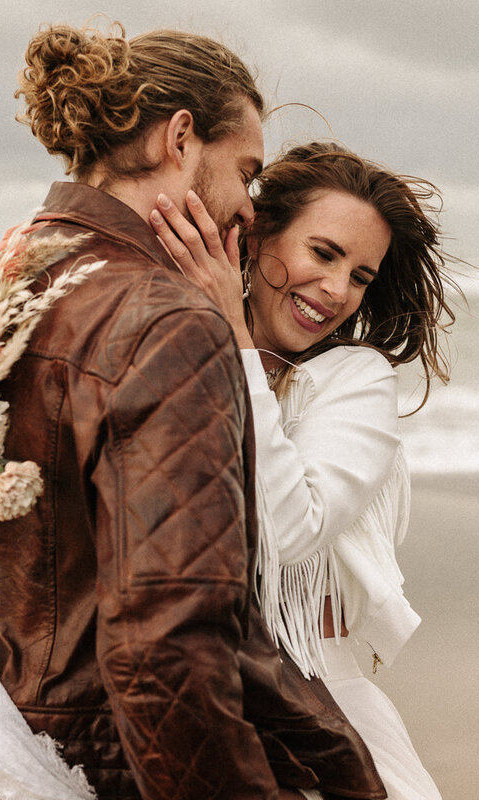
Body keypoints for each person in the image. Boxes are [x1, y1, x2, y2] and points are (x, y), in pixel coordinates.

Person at [0, 25, 386, 800]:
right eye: (245, 171)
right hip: (92, 765)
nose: (248, 205)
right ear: (181, 139)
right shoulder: (167, 323)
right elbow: (166, 647)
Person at [147, 141, 456, 800]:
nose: (339, 291)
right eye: (324, 253)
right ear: (255, 241)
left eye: (362, 276)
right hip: (177, 696)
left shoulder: (353, 380)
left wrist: (234, 331)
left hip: (320, 701)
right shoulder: (166, 348)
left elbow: (292, 529)